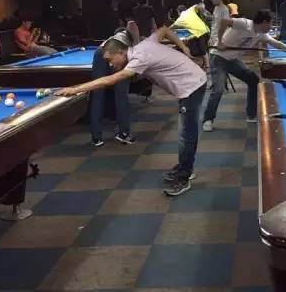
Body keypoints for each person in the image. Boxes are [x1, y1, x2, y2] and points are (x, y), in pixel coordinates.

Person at [55, 26, 206, 196]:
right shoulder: (143, 45)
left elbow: (110, 80)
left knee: (186, 134)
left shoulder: (138, 58)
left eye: (111, 60)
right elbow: (164, 30)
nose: (110, 64)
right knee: (185, 133)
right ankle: (184, 167)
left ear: (121, 52)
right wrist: (183, 47)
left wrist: (75, 89)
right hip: (193, 82)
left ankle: (185, 176)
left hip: (192, 86)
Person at [203, 9, 286, 131]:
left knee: (253, 81)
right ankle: (208, 119)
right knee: (218, 90)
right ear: (264, 22)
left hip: (232, 60)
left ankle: (251, 115)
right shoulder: (244, 23)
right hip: (218, 57)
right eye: (271, 23)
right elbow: (224, 21)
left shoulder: (261, 34)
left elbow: (276, 44)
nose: (271, 26)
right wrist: (220, 41)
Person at [88, 22, 139, 147]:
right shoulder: (132, 36)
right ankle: (124, 133)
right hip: (117, 55)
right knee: (121, 96)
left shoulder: (112, 39)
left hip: (100, 52)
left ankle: (96, 137)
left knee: (97, 94)